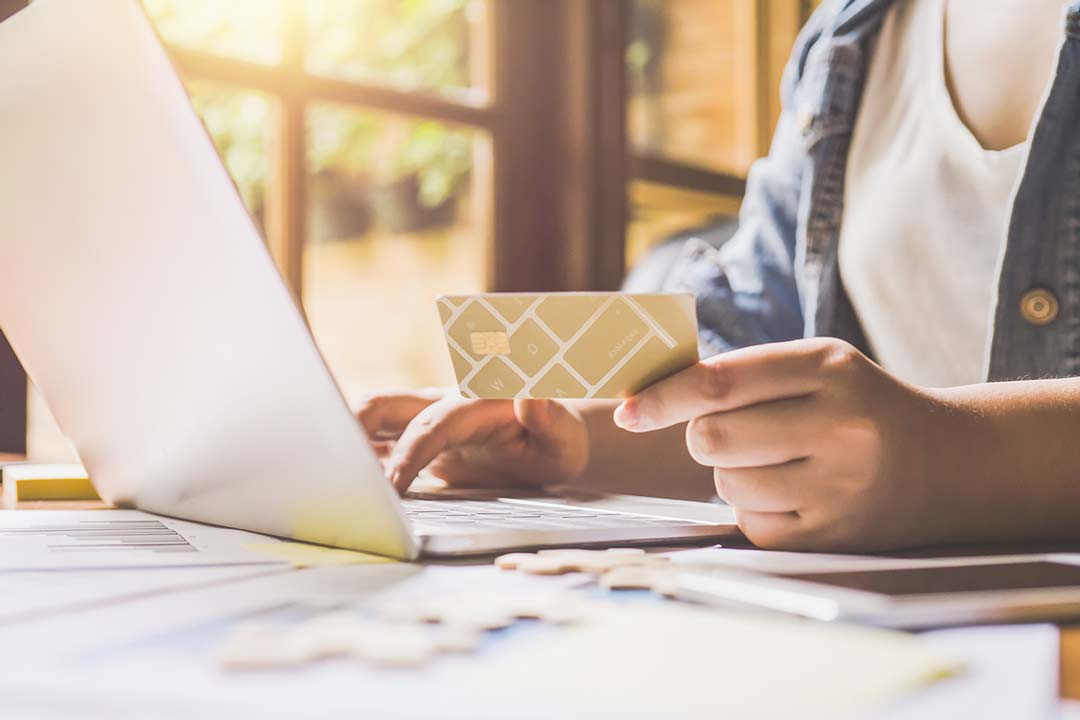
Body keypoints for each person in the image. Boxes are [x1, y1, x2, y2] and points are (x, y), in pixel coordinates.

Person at [357, 0, 1080, 552]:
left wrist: (947, 459)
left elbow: (892, 447)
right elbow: (756, 363)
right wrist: (572, 441)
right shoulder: (849, 36)